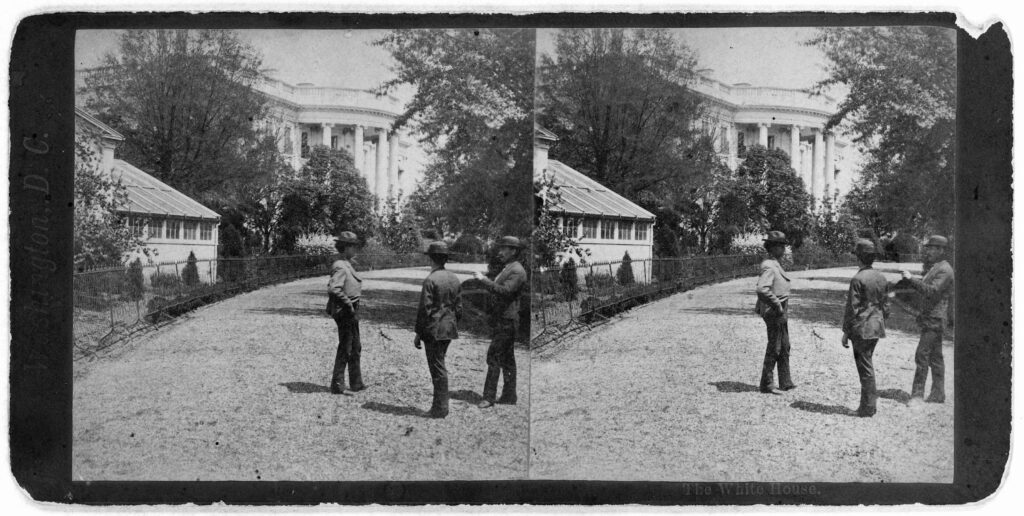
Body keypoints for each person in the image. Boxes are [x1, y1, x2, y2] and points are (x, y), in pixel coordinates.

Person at [472, 236, 527, 408]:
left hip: (507, 321)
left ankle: (489, 397)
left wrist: (483, 280)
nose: (500, 252)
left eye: (504, 249)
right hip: (504, 319)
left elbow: (505, 291)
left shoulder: (517, 270)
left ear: (513, 251)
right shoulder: (509, 268)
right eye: (500, 248)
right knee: (507, 358)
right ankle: (509, 396)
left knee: (494, 356)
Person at [901, 235, 954, 404]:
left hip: (935, 319)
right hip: (931, 318)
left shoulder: (945, 270)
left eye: (932, 248)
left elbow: (931, 291)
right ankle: (938, 394)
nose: (928, 252)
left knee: (921, 355)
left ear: (941, 250)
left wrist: (911, 279)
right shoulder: (936, 267)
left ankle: (917, 396)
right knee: (936, 357)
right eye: (928, 248)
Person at [841, 239, 890, 417]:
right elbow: (887, 307)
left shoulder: (857, 279)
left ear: (858, 258)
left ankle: (868, 407)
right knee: (867, 363)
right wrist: (880, 321)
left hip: (861, 328)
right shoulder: (881, 277)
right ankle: (868, 405)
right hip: (876, 327)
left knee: (865, 368)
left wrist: (846, 332)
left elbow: (851, 309)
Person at [414, 242, 463, 418]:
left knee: (437, 368)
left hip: (434, 330)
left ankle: (440, 408)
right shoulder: (454, 278)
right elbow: (459, 309)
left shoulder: (431, 280)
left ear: (431, 259)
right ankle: (440, 406)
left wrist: (419, 333)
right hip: (448, 329)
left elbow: (424, 311)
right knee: (440, 363)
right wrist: (451, 323)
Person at [755, 231, 795, 394]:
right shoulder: (769, 265)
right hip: (774, 310)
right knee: (775, 346)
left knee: (785, 345)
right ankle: (767, 384)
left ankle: (785, 381)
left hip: (780, 308)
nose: (784, 249)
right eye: (781, 246)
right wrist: (777, 305)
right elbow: (762, 289)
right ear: (773, 248)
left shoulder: (775, 263)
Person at [326, 231, 365, 394]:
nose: (356, 250)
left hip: (350, 309)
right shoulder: (340, 265)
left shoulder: (346, 263)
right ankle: (337, 384)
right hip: (344, 310)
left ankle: (356, 383)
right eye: (353, 246)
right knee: (346, 346)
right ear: (346, 247)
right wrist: (349, 304)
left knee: (355, 346)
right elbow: (334, 289)